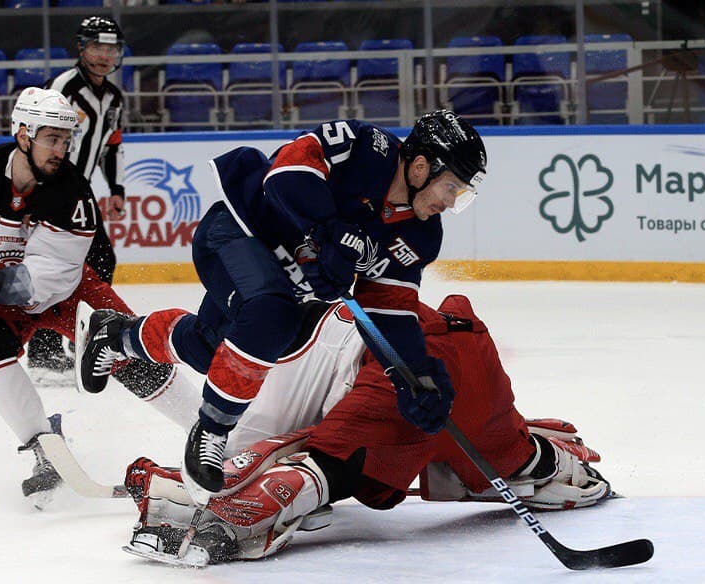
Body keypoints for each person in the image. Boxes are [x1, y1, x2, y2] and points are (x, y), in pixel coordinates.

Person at [77, 110, 488, 506]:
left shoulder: (421, 236)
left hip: (282, 276)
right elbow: (287, 173)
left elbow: (390, 309)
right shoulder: (366, 147)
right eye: (452, 187)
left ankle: (117, 334)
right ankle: (212, 429)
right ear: (420, 167)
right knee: (273, 316)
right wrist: (326, 233)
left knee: (210, 349)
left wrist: (413, 377)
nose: (452, 203)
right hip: (240, 230)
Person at [107, 294, 612, 565]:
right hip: (370, 342)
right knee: (261, 431)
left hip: (365, 349)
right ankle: (122, 345)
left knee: (297, 449)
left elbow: (323, 450)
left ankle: (122, 348)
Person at [0, 87, 173, 503]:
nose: (61, 150)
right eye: (52, 139)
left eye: (66, 141)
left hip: (70, 291)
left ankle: (211, 427)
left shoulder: (72, 192)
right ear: (23, 136)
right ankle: (43, 445)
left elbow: (50, 280)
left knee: (127, 350)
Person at [27, 15, 128, 376]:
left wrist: (115, 189)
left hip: (78, 194)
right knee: (56, 268)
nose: (105, 55)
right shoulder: (63, 88)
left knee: (101, 261)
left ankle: (85, 338)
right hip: (49, 193)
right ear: (82, 48)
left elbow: (110, 147)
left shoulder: (115, 98)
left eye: (111, 48)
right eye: (97, 47)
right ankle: (45, 350)